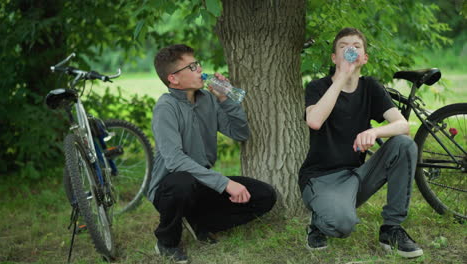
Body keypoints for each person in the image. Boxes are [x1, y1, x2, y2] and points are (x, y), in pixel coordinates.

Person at [299, 28, 423, 258]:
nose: (350, 49)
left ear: (364, 58)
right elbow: (314, 121)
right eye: (344, 45)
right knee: (341, 225)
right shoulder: (318, 87)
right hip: (321, 179)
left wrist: (375, 131)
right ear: (334, 58)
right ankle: (318, 222)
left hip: (357, 175)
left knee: (404, 144)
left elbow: (402, 125)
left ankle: (391, 229)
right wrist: (342, 77)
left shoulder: (370, 87)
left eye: (356, 46)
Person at [148, 44, 277, 263]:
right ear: (174, 79)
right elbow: (175, 161)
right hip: (170, 187)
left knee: (265, 196)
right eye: (192, 67)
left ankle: (200, 223)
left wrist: (226, 99)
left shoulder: (207, 100)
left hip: (203, 182)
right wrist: (225, 183)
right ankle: (167, 242)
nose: (200, 69)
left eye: (197, 64)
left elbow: (240, 132)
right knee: (182, 183)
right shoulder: (166, 108)